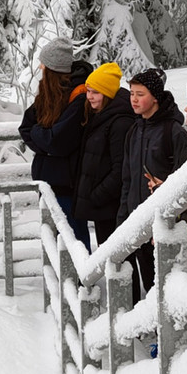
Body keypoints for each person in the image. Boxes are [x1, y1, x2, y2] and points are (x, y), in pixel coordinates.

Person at [117, 68, 187, 301]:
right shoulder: (134, 130)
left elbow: (186, 180)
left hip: (164, 225)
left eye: (140, 94)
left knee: (168, 287)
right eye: (132, 93)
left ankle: (168, 336)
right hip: (138, 221)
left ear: (156, 97)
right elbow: (127, 180)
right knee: (149, 284)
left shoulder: (174, 132)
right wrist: (123, 219)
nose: (134, 99)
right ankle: (156, 334)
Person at [19, 38, 92, 247]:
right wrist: (45, 140)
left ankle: (80, 279)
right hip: (48, 182)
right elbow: (25, 127)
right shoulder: (48, 94)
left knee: (73, 237)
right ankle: (63, 279)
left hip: (68, 185)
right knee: (54, 240)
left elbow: (57, 142)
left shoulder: (79, 96)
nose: (40, 69)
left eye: (44, 65)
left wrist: (41, 137)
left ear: (53, 69)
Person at [72, 62, 134, 247]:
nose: (89, 97)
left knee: (117, 260)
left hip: (111, 207)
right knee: (109, 257)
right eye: (88, 91)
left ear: (107, 93)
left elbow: (120, 168)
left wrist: (97, 196)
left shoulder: (119, 122)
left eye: (95, 92)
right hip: (103, 207)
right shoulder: (100, 116)